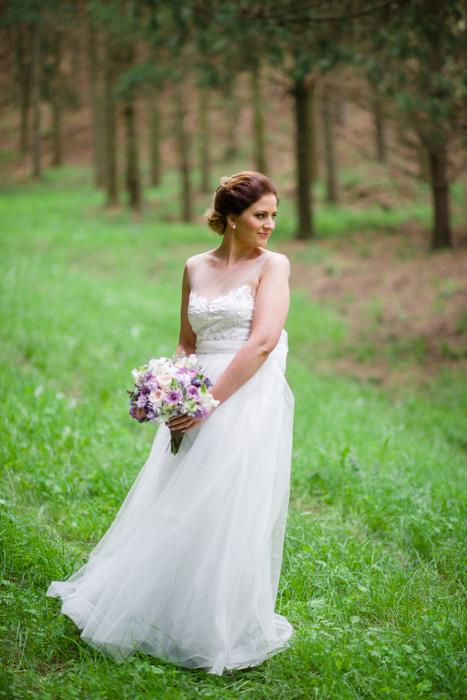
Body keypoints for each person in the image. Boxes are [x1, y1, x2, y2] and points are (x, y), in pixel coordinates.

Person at [47, 171, 294, 675]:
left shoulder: (274, 265)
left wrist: (210, 404)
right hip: (194, 395)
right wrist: (172, 388)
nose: (270, 225)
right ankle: (157, 603)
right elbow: (186, 340)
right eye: (259, 215)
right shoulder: (194, 267)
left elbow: (263, 342)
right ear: (230, 218)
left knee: (225, 501)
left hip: (241, 395)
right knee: (177, 494)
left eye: (273, 215)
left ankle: (212, 625)